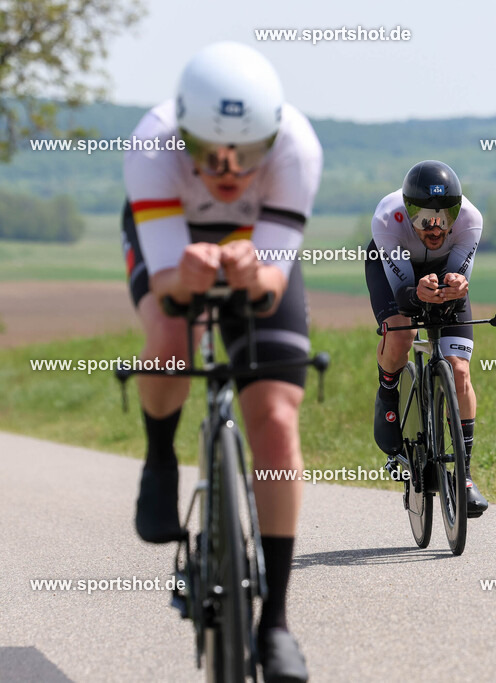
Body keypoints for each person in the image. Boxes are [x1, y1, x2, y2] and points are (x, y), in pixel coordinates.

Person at [121, 41, 321, 682]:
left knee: (276, 418)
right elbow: (168, 288)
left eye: (248, 151)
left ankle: (277, 623)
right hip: (173, 239)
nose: (230, 168)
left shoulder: (297, 147)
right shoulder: (153, 145)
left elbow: (271, 287)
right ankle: (159, 455)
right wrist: (184, 276)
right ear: (183, 134)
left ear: (272, 135)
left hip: (255, 247)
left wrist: (253, 270)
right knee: (170, 340)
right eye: (209, 151)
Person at [364, 160, 489, 516]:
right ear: (408, 210)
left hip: (443, 270)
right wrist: (416, 294)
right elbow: (404, 293)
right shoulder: (388, 218)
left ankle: (463, 475)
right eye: (424, 219)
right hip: (394, 269)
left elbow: (458, 278)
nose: (435, 229)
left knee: (459, 370)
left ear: (456, 212)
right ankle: (388, 388)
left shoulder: (471, 219)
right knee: (402, 336)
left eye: (443, 219)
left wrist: (456, 285)